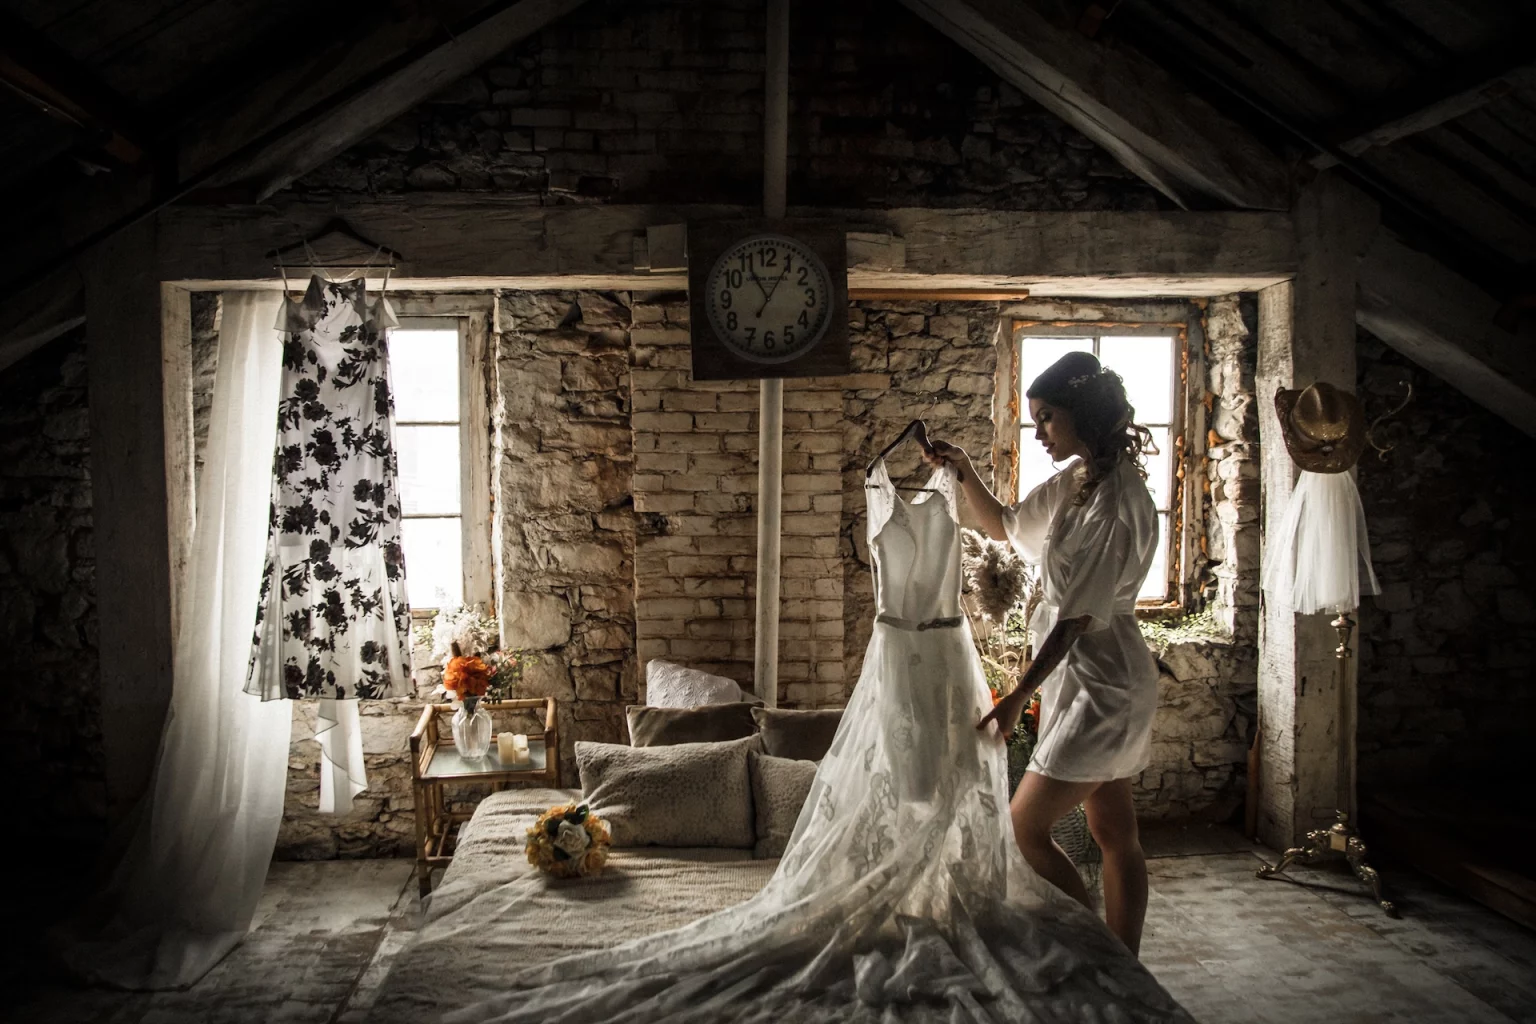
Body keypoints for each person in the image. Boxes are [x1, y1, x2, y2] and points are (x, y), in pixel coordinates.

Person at [924, 350, 1161, 956]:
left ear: (1082, 412)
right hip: (1079, 678)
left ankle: (1099, 954)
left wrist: (1015, 698)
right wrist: (964, 470)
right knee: (1114, 830)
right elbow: (1005, 526)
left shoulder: (1115, 500)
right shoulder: (1078, 481)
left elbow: (1077, 619)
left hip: (1105, 682)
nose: (1039, 433)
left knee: (1024, 826)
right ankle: (1123, 964)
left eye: (1047, 418)